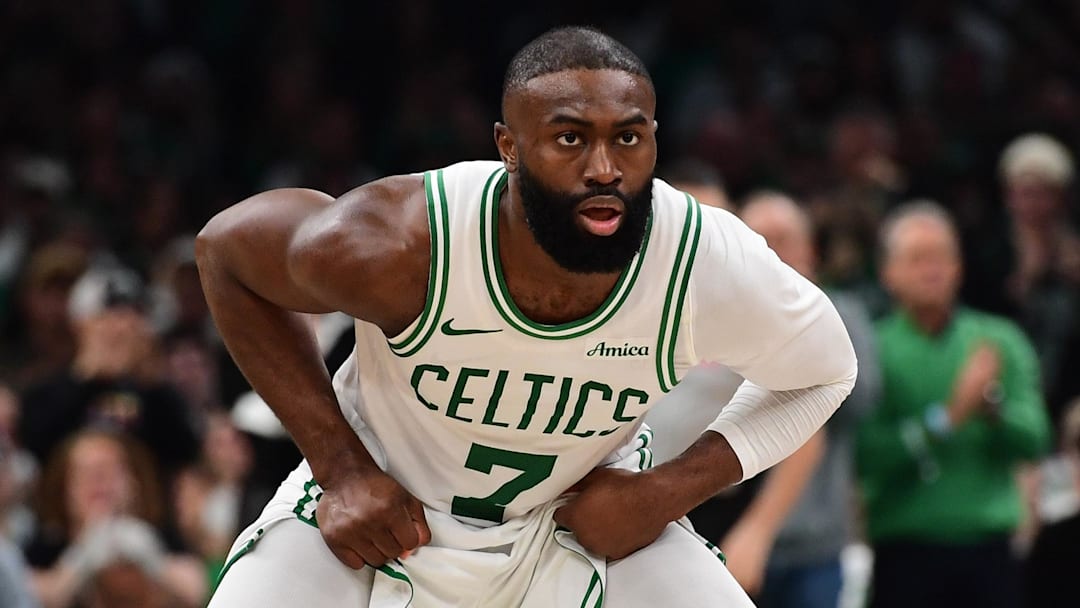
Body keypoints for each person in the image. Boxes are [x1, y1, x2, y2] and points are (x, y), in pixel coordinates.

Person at [197, 26, 857, 607]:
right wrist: (338, 466)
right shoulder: (402, 242)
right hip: (380, 510)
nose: (604, 168)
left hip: (568, 525)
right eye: (570, 138)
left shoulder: (703, 259)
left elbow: (826, 370)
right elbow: (224, 252)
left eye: (628, 138)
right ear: (508, 148)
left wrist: (665, 492)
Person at [855, 201, 1051, 608]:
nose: (933, 269)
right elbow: (865, 454)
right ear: (888, 273)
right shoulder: (870, 349)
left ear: (960, 267)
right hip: (904, 551)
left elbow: (1035, 440)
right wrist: (948, 417)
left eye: (942, 257)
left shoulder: (999, 341)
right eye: (918, 259)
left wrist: (992, 408)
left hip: (989, 550)